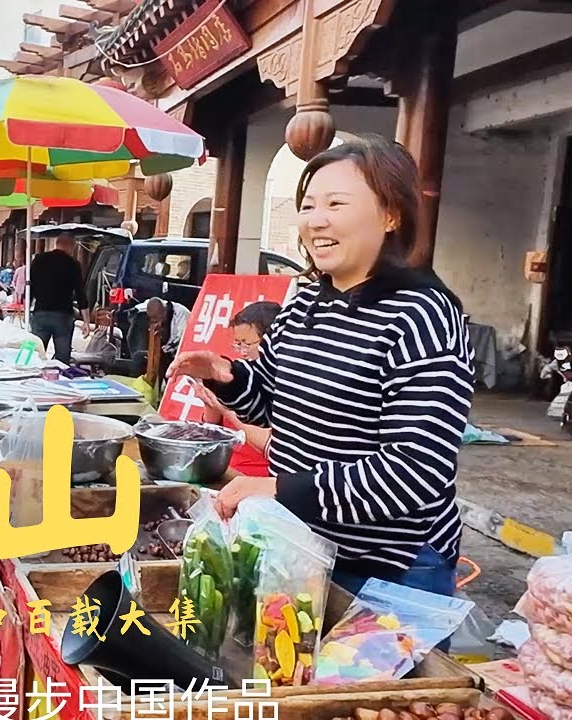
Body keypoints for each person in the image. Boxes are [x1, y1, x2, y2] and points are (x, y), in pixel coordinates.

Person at [169, 134, 475, 600]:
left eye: (336, 203)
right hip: (305, 547)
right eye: (308, 205)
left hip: (390, 567)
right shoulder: (305, 303)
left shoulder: (421, 315)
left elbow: (414, 472)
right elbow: (269, 402)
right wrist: (226, 375)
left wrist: (278, 488)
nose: (316, 221)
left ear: (391, 215)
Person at [197, 301, 282, 480]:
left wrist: (226, 412)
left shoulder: (281, 383)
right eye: (237, 344)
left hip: (257, 477)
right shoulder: (237, 378)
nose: (242, 352)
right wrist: (210, 399)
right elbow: (210, 432)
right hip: (224, 466)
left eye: (247, 344)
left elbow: (271, 444)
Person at [29, 233, 92, 363]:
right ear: (71, 247)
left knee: (34, 353)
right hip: (63, 315)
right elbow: (80, 293)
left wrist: (27, 308)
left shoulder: (38, 260)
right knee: (62, 358)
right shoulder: (73, 264)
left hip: (40, 313)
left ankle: (30, 377)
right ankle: (59, 379)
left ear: (56, 244)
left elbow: (30, 287)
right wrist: (86, 321)